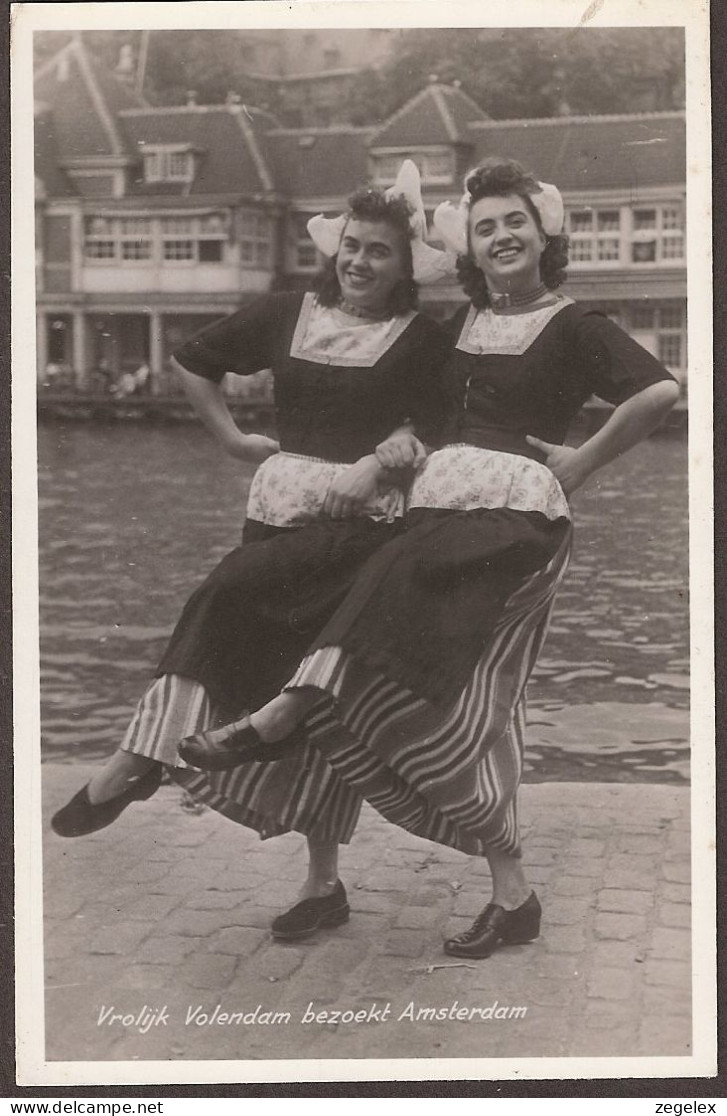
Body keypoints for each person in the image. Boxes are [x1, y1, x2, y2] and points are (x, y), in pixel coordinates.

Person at [178, 159, 680, 957]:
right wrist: (388, 451)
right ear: (469, 252)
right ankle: (347, 864)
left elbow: (657, 392)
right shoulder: (458, 333)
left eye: (514, 221)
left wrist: (580, 463)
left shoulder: (574, 322)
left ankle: (285, 718)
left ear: (543, 234)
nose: (501, 236)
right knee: (349, 632)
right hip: (436, 518)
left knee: (456, 695)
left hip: (512, 523)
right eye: (484, 228)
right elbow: (405, 413)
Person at [51, 162, 451, 939]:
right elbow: (194, 359)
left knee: (241, 607)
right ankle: (322, 885)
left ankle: (139, 759)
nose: (359, 262)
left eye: (378, 252)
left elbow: (440, 418)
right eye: (352, 246)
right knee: (296, 692)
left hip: (359, 533)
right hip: (276, 518)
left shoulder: (424, 337)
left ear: (406, 269)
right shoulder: (284, 313)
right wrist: (232, 437)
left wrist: (396, 443)